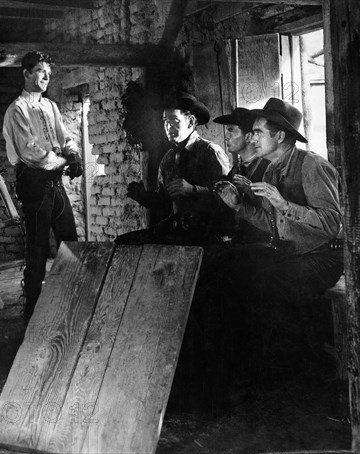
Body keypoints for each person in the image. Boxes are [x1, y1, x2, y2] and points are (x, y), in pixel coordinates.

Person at [189, 98, 343, 407]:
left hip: (324, 256)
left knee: (265, 285)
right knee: (227, 275)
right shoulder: (273, 171)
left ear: (280, 137)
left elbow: (332, 223)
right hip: (291, 252)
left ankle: (278, 375)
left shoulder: (311, 165)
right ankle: (224, 372)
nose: (251, 138)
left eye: (258, 132)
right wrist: (239, 206)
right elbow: (273, 226)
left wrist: (285, 205)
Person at [3, 51, 82, 324]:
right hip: (34, 184)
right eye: (40, 71)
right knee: (37, 251)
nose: (46, 77)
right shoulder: (17, 110)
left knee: (70, 244)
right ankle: (33, 316)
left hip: (55, 184)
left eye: (48, 72)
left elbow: (65, 135)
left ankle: (70, 306)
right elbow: (30, 152)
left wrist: (73, 154)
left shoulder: (50, 106)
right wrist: (63, 162)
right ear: (26, 73)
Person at [116, 92, 231, 245]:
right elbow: (166, 202)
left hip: (207, 233)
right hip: (178, 229)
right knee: (124, 243)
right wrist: (143, 197)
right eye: (165, 121)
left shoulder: (210, 152)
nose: (167, 126)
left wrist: (194, 190)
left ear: (190, 121)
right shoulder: (168, 159)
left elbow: (227, 202)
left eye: (174, 120)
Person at [213, 107, 270, 243]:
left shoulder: (268, 168)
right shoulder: (235, 169)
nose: (226, 136)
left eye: (231, 130)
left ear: (249, 137)